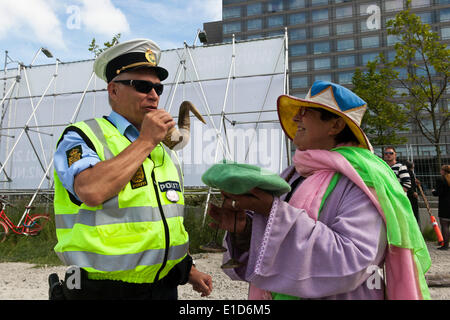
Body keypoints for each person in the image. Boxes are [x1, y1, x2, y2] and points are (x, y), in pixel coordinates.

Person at [207, 81, 431, 300]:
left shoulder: (362, 179)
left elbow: (354, 259)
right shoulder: (293, 173)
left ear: (335, 125)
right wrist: (244, 230)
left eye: (305, 111)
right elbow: (268, 251)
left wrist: (274, 212)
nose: (296, 118)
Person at [51, 39, 212, 300]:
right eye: (142, 86)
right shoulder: (83, 136)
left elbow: (162, 221)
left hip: (163, 289)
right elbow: (90, 189)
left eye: (158, 87)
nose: (154, 95)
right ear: (113, 91)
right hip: (102, 291)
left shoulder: (163, 149)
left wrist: (188, 269)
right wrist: (146, 140)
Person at [432, 165, 450, 250]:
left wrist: (433, 191)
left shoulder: (441, 179)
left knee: (445, 225)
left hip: (445, 204)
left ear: (444, 171)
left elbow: (439, 192)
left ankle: (446, 245)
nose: (440, 171)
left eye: (441, 170)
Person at [405, 160, 420, 225]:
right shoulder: (409, 172)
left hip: (410, 194)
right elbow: (409, 184)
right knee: (414, 211)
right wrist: (413, 192)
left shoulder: (410, 172)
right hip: (411, 195)